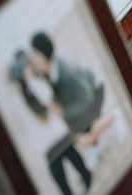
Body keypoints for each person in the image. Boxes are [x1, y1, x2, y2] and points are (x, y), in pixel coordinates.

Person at [25, 31, 116, 195]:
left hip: (94, 96)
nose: (31, 58)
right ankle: (85, 170)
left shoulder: (67, 72)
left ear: (44, 56)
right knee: (61, 145)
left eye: (34, 54)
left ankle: (102, 127)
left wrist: (64, 112)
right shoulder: (45, 70)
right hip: (76, 101)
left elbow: (87, 99)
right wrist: (29, 80)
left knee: (79, 139)